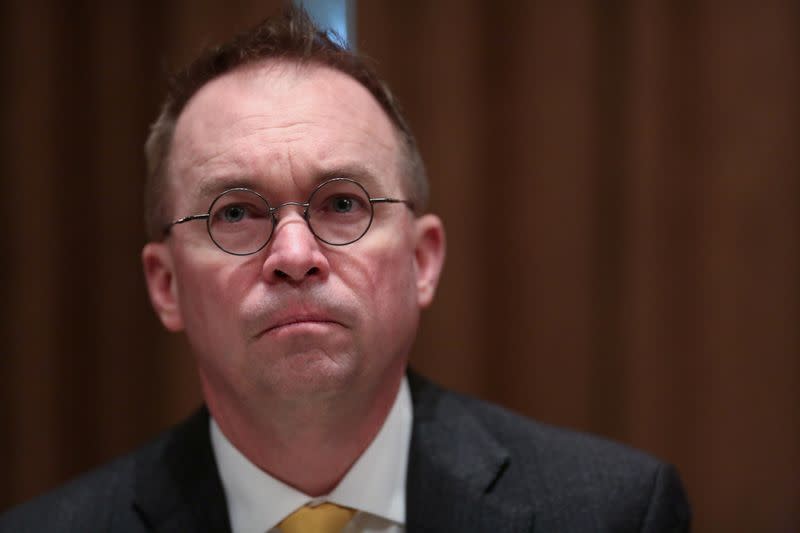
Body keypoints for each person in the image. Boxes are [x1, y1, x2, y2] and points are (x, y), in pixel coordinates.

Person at [0, 7, 690, 533]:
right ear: (166, 284)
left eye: (341, 203)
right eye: (236, 214)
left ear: (422, 261)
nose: (295, 256)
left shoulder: (614, 512)